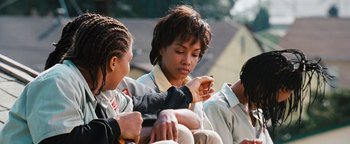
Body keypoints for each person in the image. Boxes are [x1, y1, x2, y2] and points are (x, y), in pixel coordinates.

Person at [0, 13, 214, 144]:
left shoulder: (99, 88)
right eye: (128, 61)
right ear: (113, 62)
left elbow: (140, 104)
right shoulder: (57, 81)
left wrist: (186, 94)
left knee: (184, 135)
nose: (128, 69)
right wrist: (116, 127)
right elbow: (57, 142)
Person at [203, 49, 333, 144]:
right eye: (269, 99)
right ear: (258, 83)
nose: (269, 105)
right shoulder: (217, 108)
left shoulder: (256, 112)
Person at [136, 5, 222, 144]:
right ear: (162, 48)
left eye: (195, 54)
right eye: (180, 52)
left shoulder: (196, 92)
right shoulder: (143, 88)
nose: (187, 61)